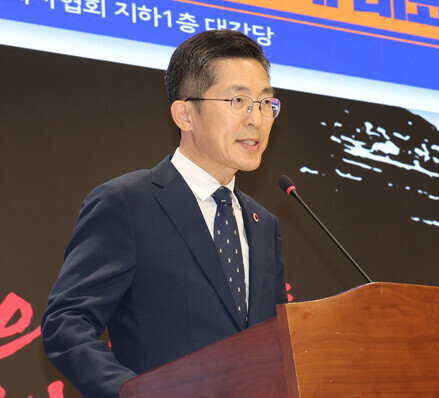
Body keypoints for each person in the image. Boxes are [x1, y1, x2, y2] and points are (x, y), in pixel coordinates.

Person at [41, 29, 288, 397]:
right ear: (185, 114)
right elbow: (66, 323)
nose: (257, 119)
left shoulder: (263, 224)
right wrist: (133, 391)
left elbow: (276, 343)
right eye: (239, 101)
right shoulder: (127, 202)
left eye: (265, 103)